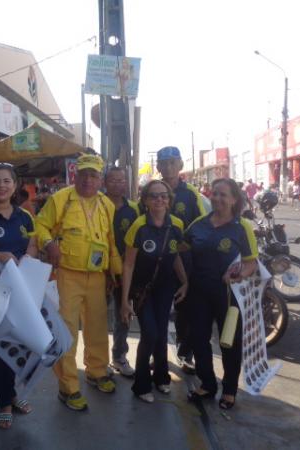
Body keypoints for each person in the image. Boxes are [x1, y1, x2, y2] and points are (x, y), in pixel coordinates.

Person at [35, 153, 122, 411]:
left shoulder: (107, 205)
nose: (88, 179)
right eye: (83, 173)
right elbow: (40, 226)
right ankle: (68, 386)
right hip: (66, 275)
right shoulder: (60, 199)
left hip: (97, 276)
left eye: (93, 175)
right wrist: (49, 244)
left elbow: (110, 241)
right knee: (67, 331)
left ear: (100, 180)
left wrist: (115, 273)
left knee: (97, 327)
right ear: (76, 175)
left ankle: (96, 371)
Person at [185, 178, 258, 410]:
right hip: (198, 292)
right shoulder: (198, 224)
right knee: (198, 339)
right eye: (214, 193)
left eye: (223, 195)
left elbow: (251, 263)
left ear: (234, 199)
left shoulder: (241, 227)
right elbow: (181, 249)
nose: (217, 198)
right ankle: (207, 384)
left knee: (229, 343)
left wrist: (239, 275)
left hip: (228, 295)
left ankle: (229, 390)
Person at [0, 163, 38, 429]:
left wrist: (28, 259)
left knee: (21, 343)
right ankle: (4, 401)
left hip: (22, 290)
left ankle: (14, 394)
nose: (2, 186)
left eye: (7, 181)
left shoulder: (25, 217)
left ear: (15, 186)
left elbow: (32, 245)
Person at [120, 180, 188, 403]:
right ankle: (141, 385)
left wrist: (184, 281)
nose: (159, 200)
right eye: (154, 196)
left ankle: (161, 378)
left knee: (160, 335)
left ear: (169, 200)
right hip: (142, 290)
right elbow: (128, 264)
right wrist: (124, 300)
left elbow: (175, 254)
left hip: (165, 288)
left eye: (164, 196)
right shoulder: (139, 226)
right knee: (150, 333)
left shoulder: (176, 225)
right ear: (146, 200)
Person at [156, 146, 206, 374]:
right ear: (157, 167)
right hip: (158, 261)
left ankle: (185, 354)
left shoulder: (191, 194)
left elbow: (203, 226)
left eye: (172, 163)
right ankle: (157, 357)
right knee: (158, 309)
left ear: (180, 165)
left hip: (186, 261)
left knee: (186, 310)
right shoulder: (151, 192)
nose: (168, 167)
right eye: (163, 163)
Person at [104, 166, 140, 377]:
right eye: (113, 180)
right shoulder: (97, 204)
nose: (117, 184)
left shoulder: (134, 209)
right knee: (97, 316)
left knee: (123, 314)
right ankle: (98, 359)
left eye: (121, 180)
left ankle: (119, 356)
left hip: (125, 272)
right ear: (104, 183)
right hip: (101, 270)